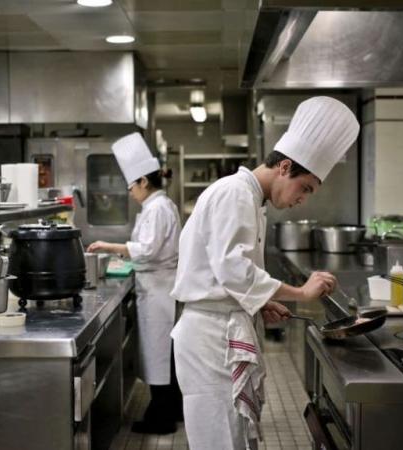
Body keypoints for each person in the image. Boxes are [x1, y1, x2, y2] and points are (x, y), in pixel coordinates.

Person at [170, 96, 360, 450]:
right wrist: (301, 292)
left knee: (235, 438)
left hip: (219, 329)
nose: (304, 199)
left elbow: (227, 273)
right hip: (210, 338)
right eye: (306, 188)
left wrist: (258, 304)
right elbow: (234, 271)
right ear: (285, 167)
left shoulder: (252, 199)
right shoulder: (235, 193)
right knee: (222, 440)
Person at [87, 132, 183, 434]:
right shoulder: (158, 205)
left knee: (159, 354)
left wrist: (109, 246)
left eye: (131, 186)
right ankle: (170, 410)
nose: (129, 192)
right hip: (156, 286)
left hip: (159, 291)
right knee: (161, 355)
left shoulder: (158, 208)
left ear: (143, 181)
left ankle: (163, 418)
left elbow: (147, 250)